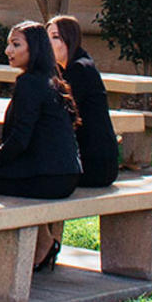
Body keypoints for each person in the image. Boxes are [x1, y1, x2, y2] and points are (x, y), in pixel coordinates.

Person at [0, 20, 81, 273]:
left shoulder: (30, 83)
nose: (8, 51)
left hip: (48, 178)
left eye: (15, 44)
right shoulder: (50, 79)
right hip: (66, 175)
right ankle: (45, 243)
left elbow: (19, 140)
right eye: (9, 44)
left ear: (33, 48)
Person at [49, 16, 119, 188]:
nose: (48, 43)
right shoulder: (72, 67)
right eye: (47, 37)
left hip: (95, 166)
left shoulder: (80, 70)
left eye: (55, 37)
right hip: (89, 162)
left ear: (70, 39)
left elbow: (58, 115)